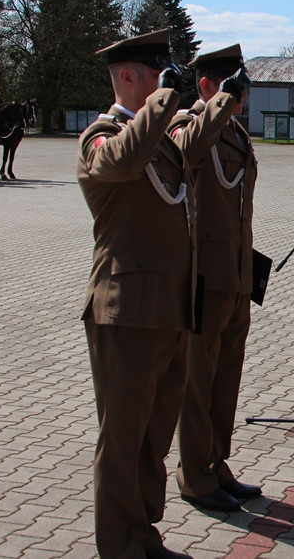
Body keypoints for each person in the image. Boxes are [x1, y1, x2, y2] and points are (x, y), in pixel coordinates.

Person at [77, 29, 236, 559]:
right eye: (155, 74)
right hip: (125, 312)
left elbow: (193, 143)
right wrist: (165, 100)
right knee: (122, 441)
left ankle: (143, 533)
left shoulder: (161, 138)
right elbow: (120, 161)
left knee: (152, 437)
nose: (166, 84)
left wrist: (222, 100)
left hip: (169, 307)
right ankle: (120, 547)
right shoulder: (100, 136)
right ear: (127, 77)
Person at [167, 44, 259, 513]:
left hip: (236, 275)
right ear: (208, 85)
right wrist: (218, 105)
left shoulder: (236, 132)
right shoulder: (189, 124)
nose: (241, 96)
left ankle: (215, 463)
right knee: (198, 379)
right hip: (204, 275)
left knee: (226, 379)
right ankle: (194, 477)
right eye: (233, 86)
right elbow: (184, 152)